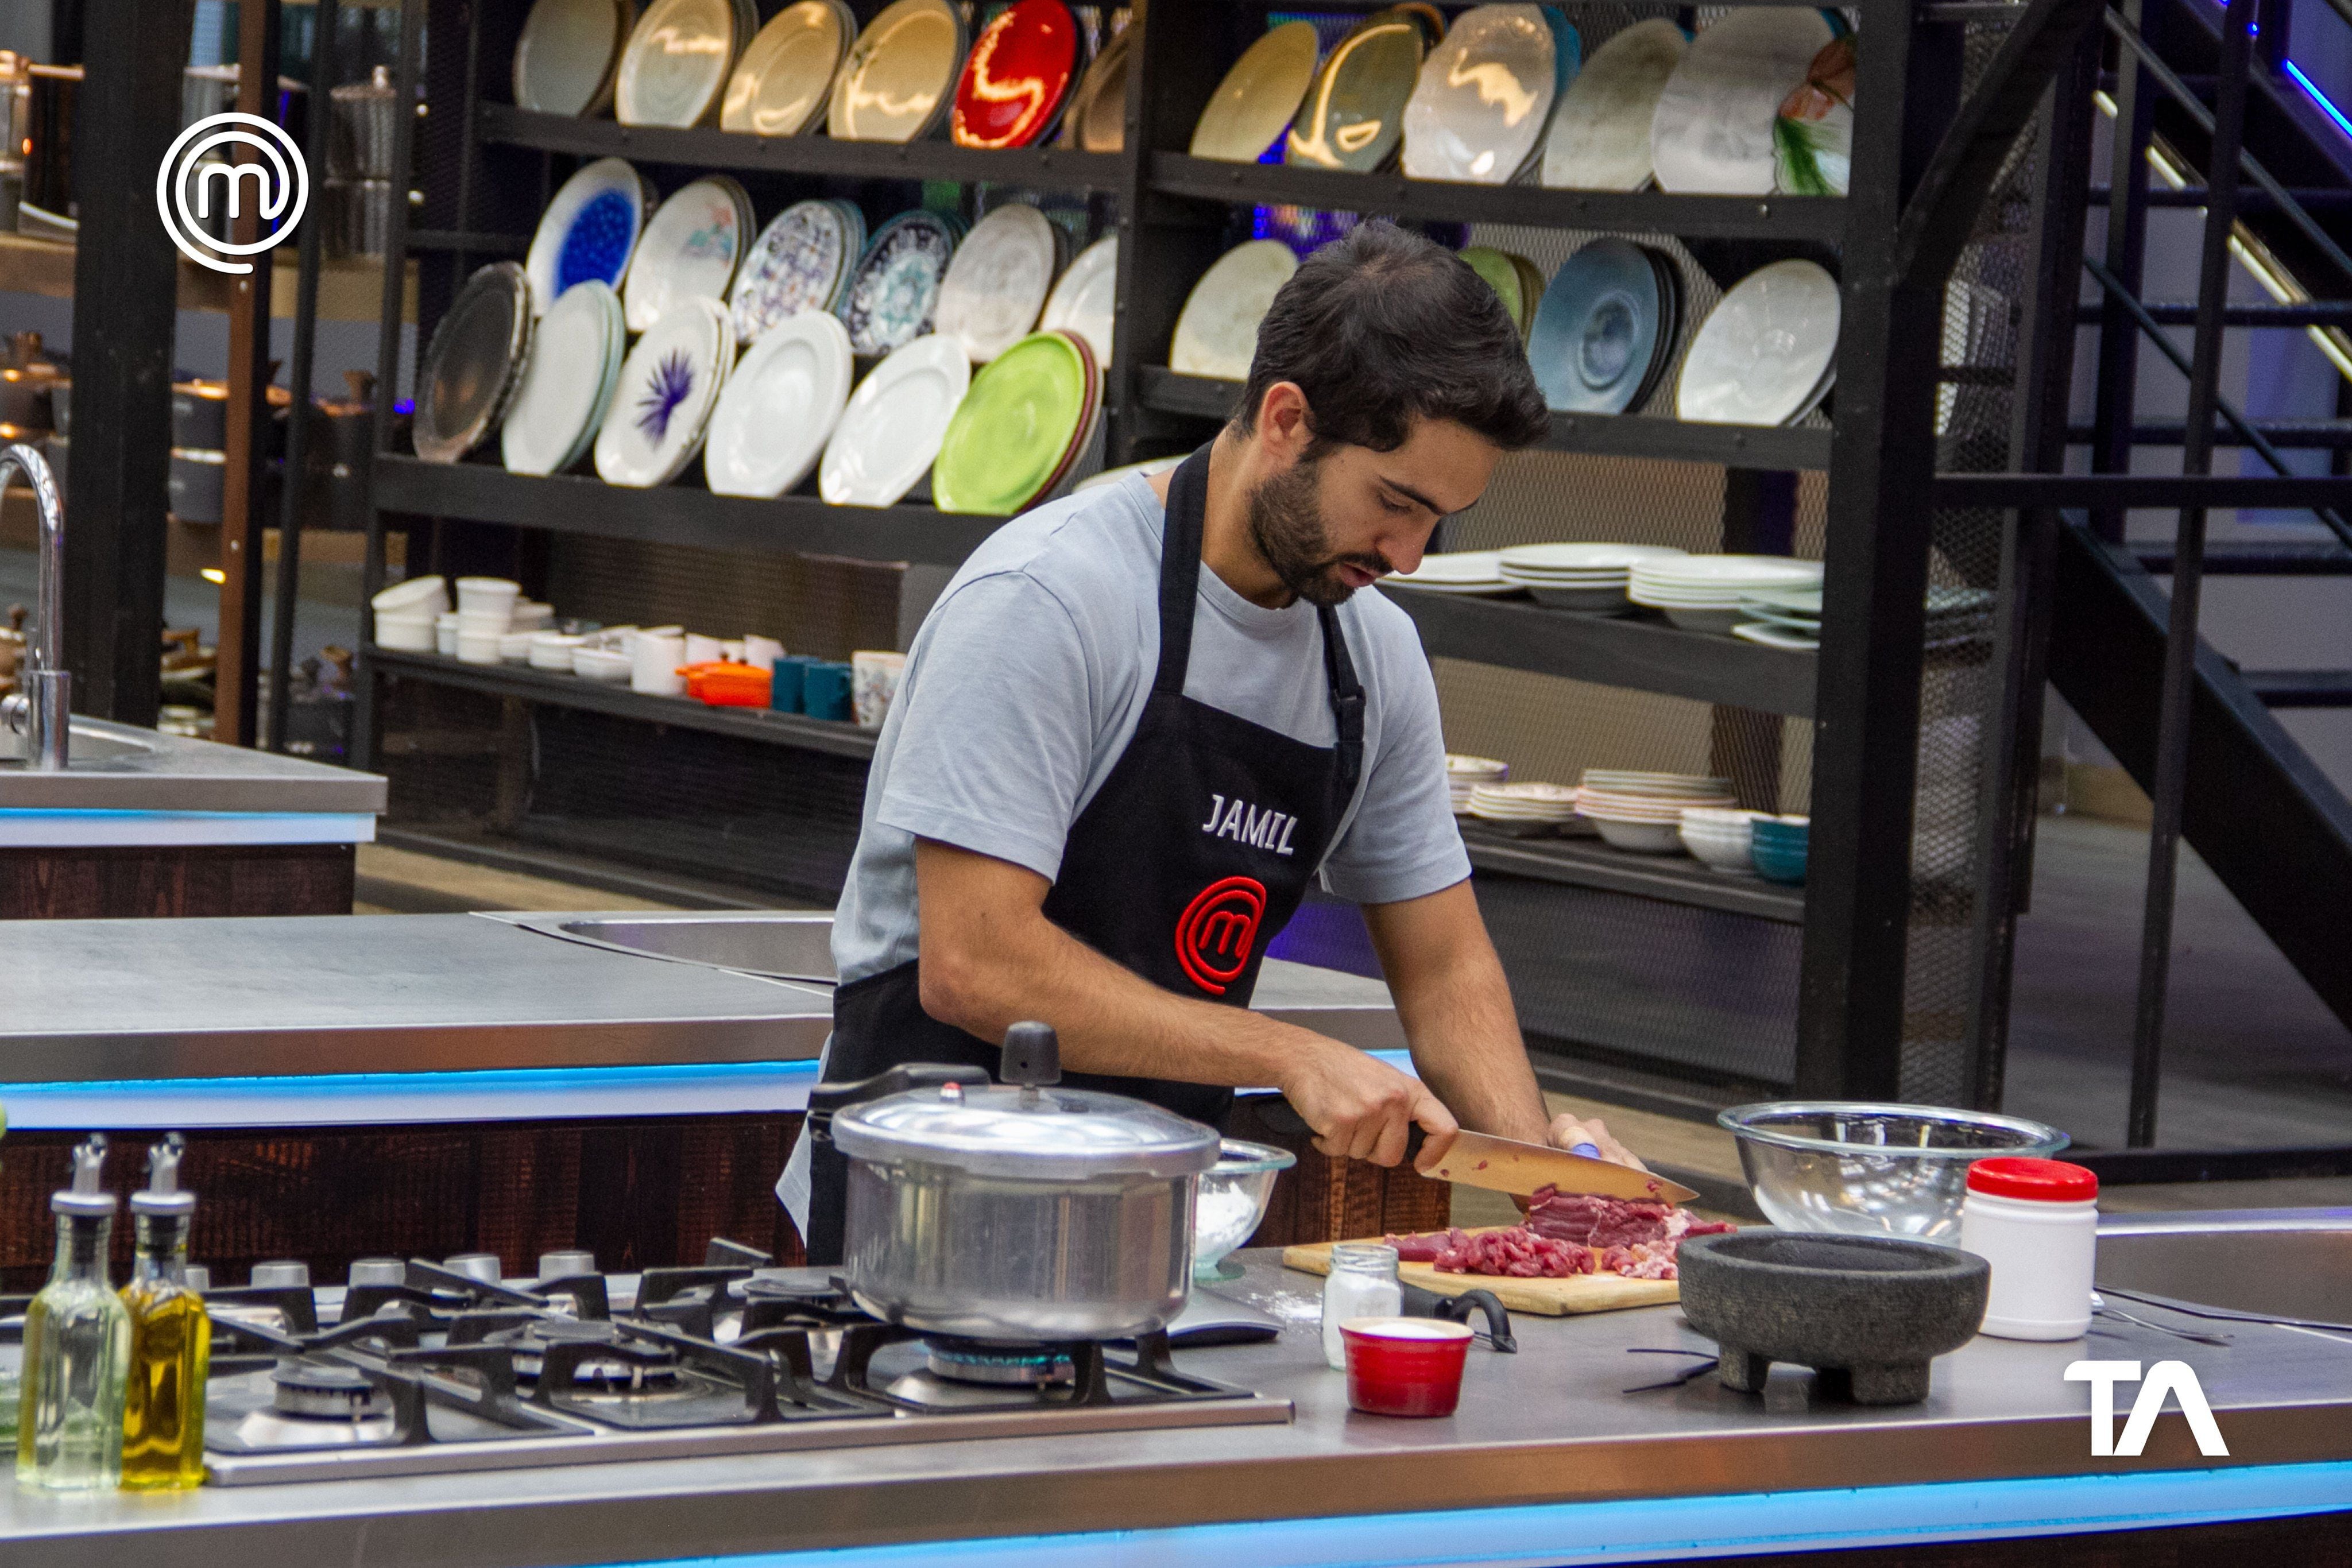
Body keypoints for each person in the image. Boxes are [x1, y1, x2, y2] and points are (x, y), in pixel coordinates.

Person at [782, 220, 1642, 1263]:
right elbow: (975, 963)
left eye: (1440, 523)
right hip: (923, 1198)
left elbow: (1447, 966)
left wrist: (1547, 1175)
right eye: (1396, 504)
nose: (1411, 556)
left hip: (1148, 1209)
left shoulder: (1374, 659)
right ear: (1287, 420)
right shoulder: (1051, 599)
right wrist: (1285, 1053)